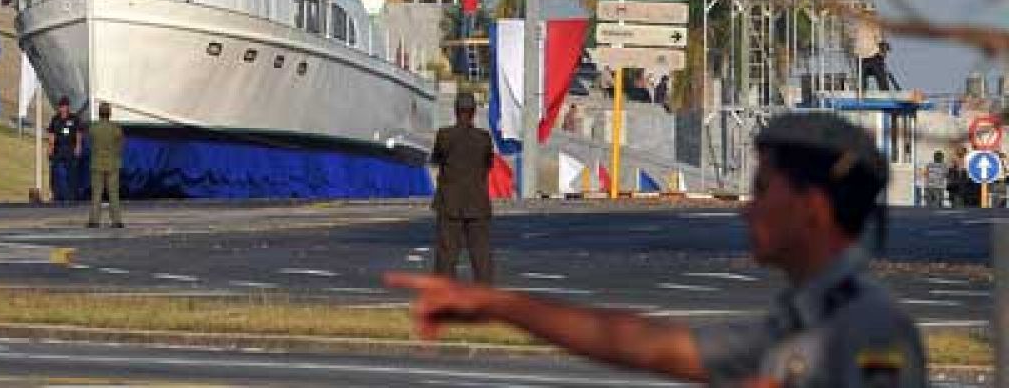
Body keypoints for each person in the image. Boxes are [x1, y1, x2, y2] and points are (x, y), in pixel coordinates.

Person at [389, 111, 927, 386]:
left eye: (763, 192)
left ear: (813, 208)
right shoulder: (799, 321)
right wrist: (498, 306)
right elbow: (643, 342)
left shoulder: (868, 328)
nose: (746, 208)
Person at [429, 93, 495, 282]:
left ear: (455, 111)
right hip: (477, 201)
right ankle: (483, 293)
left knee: (447, 253)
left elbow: (436, 160)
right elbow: (488, 164)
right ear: (474, 113)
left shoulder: (444, 135)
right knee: (480, 252)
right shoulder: (483, 138)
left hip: (450, 200)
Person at [87, 101, 124, 229]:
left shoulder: (93, 128)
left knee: (96, 193)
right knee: (113, 194)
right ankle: (116, 220)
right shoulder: (115, 128)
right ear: (109, 113)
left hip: (97, 164)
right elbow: (120, 147)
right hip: (113, 164)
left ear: (99, 113)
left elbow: (91, 144)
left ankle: (94, 220)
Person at [46, 95, 84, 203]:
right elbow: (51, 134)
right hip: (58, 149)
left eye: (64, 106)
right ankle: (56, 194)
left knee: (72, 173)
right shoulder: (55, 119)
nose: (62, 108)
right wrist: (50, 148)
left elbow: (78, 133)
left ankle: (72, 196)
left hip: (71, 148)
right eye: (61, 106)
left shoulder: (74, 118)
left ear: (68, 107)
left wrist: (78, 146)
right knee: (55, 172)